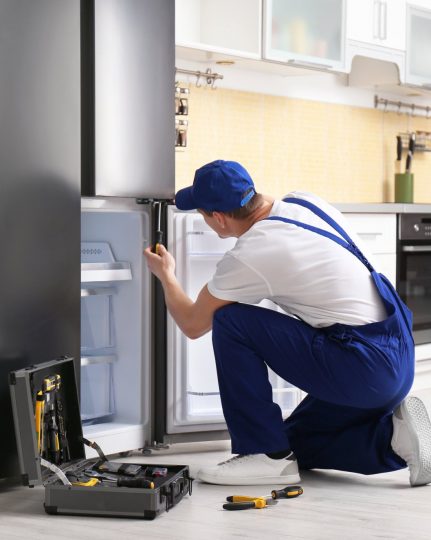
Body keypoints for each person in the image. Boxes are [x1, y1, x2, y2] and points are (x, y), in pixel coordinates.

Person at [144, 159, 431, 487]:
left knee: (231, 320)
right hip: (396, 353)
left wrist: (166, 275)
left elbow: (193, 324)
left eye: (202, 214)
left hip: (363, 366)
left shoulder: (251, 253)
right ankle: (396, 440)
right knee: (293, 445)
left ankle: (261, 453)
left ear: (219, 218)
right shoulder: (303, 201)